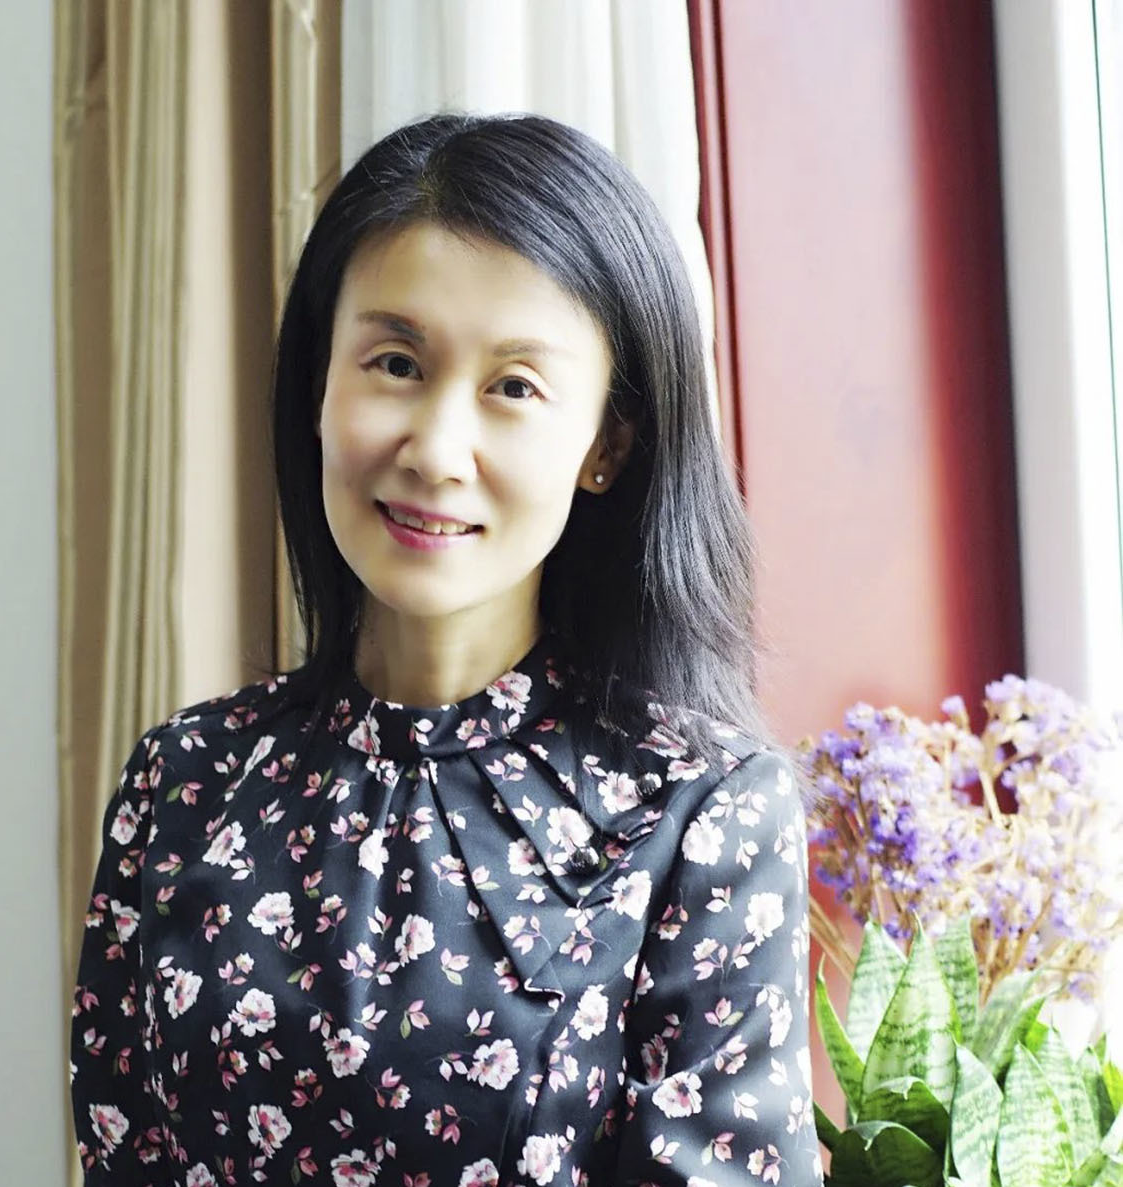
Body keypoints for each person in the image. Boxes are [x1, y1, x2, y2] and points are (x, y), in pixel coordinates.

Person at [70, 112, 824, 1187]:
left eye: (513, 386)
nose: (434, 450)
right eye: (395, 362)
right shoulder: (183, 781)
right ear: (319, 386)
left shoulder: (702, 811)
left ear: (606, 444)